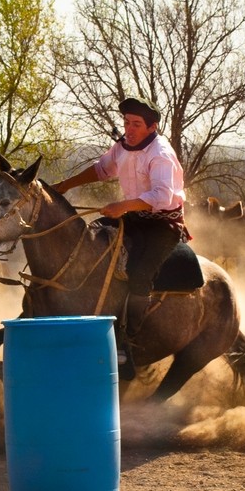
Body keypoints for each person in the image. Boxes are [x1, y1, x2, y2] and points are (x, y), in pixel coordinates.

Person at [53, 96, 191, 378]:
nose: (129, 128)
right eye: (127, 122)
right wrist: (65, 186)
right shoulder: (123, 147)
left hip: (163, 224)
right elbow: (102, 169)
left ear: (152, 127)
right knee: (90, 240)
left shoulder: (160, 154)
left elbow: (162, 197)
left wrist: (122, 206)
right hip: (135, 217)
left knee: (140, 274)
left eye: (136, 124)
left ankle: (128, 341)